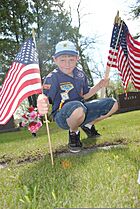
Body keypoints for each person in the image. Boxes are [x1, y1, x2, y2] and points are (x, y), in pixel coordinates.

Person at [37, 40, 118, 153]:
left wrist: (99, 85)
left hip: (81, 110)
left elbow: (84, 95)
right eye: (63, 60)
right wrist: (41, 99)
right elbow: (45, 96)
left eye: (71, 59)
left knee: (113, 104)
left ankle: (88, 125)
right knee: (77, 107)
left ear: (77, 58)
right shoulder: (52, 77)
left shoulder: (80, 74)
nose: (67, 63)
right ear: (55, 60)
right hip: (62, 115)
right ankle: (74, 133)